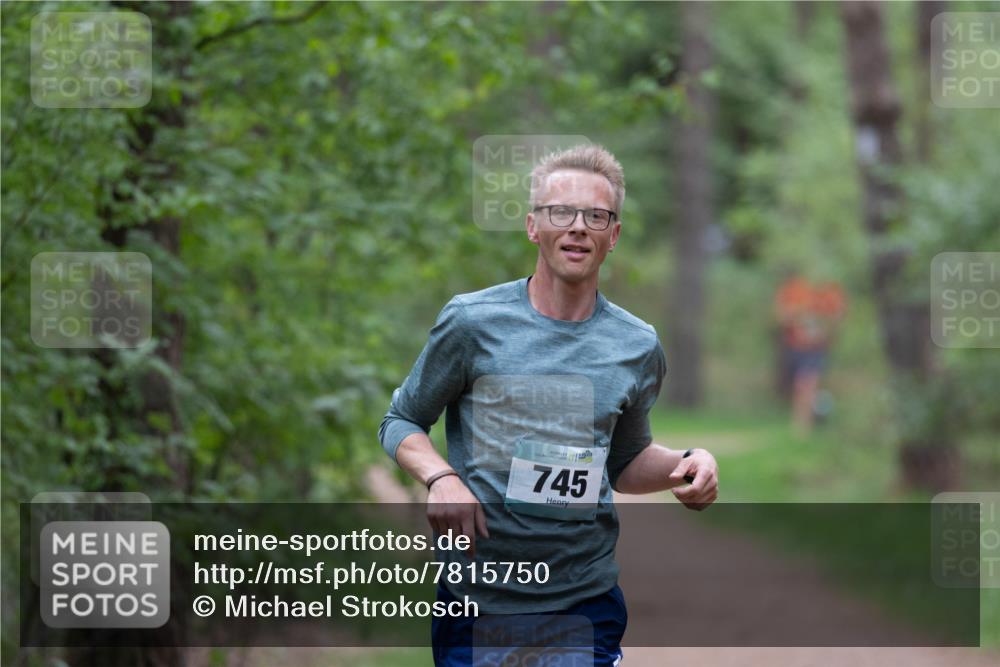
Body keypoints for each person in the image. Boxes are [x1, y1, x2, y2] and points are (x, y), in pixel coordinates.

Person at [378, 144, 719, 666]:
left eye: (596, 216)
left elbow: (624, 462)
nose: (578, 226)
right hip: (478, 603)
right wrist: (440, 477)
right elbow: (401, 420)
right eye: (562, 212)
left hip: (583, 603)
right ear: (534, 226)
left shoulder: (637, 345)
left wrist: (686, 465)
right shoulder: (472, 323)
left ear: (614, 236)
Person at [774, 273, 846, 434]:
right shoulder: (794, 288)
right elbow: (782, 316)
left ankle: (802, 427)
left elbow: (837, 316)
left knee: (806, 384)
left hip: (816, 348)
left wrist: (824, 329)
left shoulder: (829, 289)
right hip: (796, 346)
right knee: (801, 387)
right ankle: (809, 420)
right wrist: (798, 313)